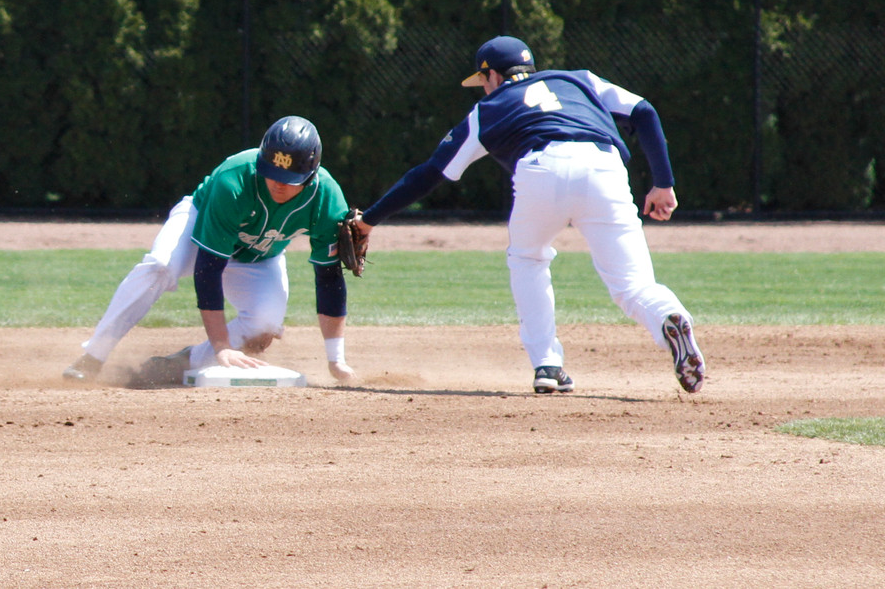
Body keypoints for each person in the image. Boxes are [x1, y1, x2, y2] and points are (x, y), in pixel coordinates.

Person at [355, 35, 705, 394]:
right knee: (633, 285)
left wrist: (370, 219)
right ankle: (667, 316)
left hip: (541, 167)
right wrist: (663, 183)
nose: (483, 90)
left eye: (482, 81)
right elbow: (644, 111)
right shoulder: (579, 79)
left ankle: (548, 365)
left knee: (528, 259)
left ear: (491, 75)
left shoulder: (489, 109)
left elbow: (430, 173)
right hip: (602, 165)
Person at [63, 115, 359, 388]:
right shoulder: (235, 179)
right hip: (198, 226)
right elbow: (208, 269)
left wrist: (336, 360)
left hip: (259, 256)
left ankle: (181, 363)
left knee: (264, 326)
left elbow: (328, 278)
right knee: (160, 265)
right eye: (271, 173)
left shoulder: (327, 199)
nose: (278, 184)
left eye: (289, 178)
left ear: (311, 174)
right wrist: (222, 345)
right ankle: (93, 356)